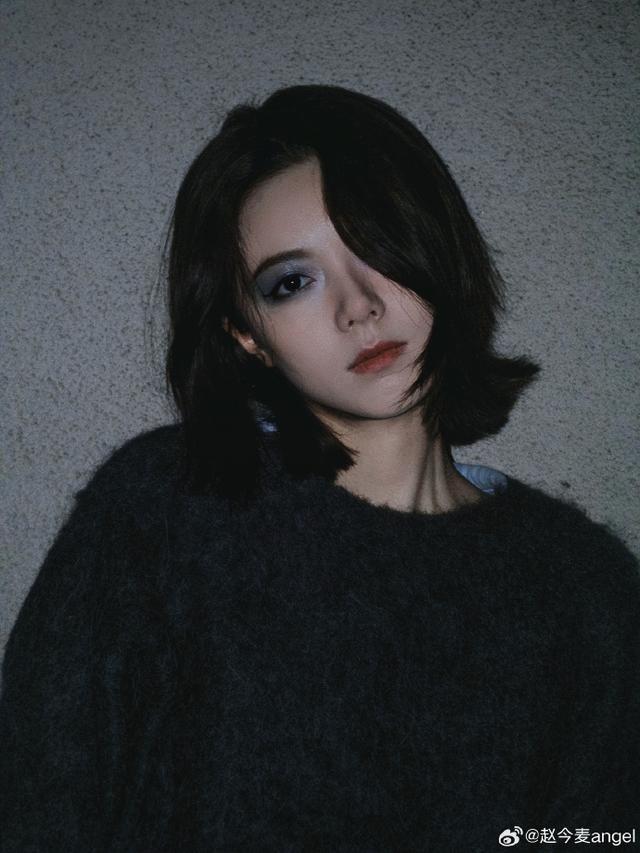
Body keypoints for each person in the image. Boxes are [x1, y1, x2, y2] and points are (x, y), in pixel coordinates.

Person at [1, 84, 638, 852]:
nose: (358, 305)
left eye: (375, 243)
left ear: (439, 247)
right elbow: (36, 799)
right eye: (292, 282)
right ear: (247, 336)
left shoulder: (586, 590)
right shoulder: (165, 508)